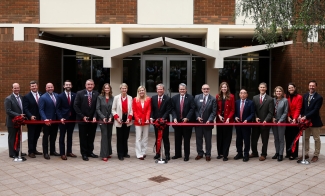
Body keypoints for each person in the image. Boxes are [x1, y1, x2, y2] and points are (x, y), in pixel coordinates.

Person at [74, 79, 99, 161]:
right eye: (88, 84)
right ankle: (84, 154)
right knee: (83, 138)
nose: (90, 86)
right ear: (85, 85)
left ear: (94, 85)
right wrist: (82, 116)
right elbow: (76, 106)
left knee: (91, 137)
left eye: (91, 84)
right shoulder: (79, 93)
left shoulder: (96, 94)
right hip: (82, 120)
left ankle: (90, 152)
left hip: (93, 121)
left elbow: (97, 107)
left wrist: (95, 116)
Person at [298, 80, 323, 163]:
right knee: (305, 138)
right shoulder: (305, 96)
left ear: (316, 87)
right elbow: (303, 108)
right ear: (308, 86)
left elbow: (315, 110)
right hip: (305, 122)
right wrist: (300, 115)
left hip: (315, 122)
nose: (311, 87)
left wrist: (305, 116)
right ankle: (306, 154)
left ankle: (316, 154)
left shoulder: (319, 97)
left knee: (316, 139)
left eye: (313, 86)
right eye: (310, 85)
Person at [171, 83, 195, 162]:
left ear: (186, 90)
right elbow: (173, 109)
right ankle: (178, 154)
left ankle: (186, 155)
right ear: (178, 90)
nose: (182, 90)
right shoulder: (174, 98)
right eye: (181, 89)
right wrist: (174, 117)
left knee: (186, 140)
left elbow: (192, 109)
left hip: (187, 123)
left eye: (183, 89)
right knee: (177, 139)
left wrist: (187, 118)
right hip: (177, 122)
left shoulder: (191, 98)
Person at [250, 82, 274, 161]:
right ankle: (254, 152)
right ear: (258, 88)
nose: (262, 89)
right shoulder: (254, 98)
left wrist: (266, 120)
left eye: (264, 87)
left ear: (266, 88)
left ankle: (263, 154)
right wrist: (256, 117)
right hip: (256, 123)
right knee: (254, 139)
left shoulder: (270, 99)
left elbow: (271, 112)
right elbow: (253, 110)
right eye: (261, 87)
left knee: (264, 140)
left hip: (265, 123)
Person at [194, 84, 216, 161]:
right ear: (201, 89)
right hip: (199, 123)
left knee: (208, 140)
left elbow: (214, 112)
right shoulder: (197, 97)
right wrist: (197, 117)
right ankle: (200, 153)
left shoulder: (213, 99)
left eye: (207, 89)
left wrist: (209, 120)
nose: (205, 90)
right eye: (204, 89)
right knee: (199, 139)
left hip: (208, 123)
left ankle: (208, 154)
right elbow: (195, 109)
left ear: (209, 90)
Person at [4, 83, 26, 159]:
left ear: (19, 88)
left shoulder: (21, 97)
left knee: (19, 137)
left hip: (19, 122)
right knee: (12, 138)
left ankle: (18, 151)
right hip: (12, 122)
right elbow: (8, 111)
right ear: (12, 89)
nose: (16, 89)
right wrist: (19, 115)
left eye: (18, 88)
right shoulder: (8, 99)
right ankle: (12, 153)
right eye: (15, 88)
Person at [112, 83, 133, 161]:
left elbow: (132, 110)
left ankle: (125, 152)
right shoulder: (116, 98)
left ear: (127, 89)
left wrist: (129, 118)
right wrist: (117, 118)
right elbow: (113, 109)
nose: (124, 90)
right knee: (120, 137)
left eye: (125, 88)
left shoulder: (130, 98)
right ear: (120, 89)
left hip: (127, 119)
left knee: (126, 137)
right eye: (122, 88)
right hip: (119, 119)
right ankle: (120, 154)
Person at [38, 83, 60, 160]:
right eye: (48, 87)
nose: (50, 88)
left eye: (51, 87)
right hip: (47, 121)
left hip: (55, 120)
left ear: (53, 88)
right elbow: (41, 109)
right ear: (46, 88)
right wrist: (45, 119)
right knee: (46, 137)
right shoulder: (43, 97)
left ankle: (52, 151)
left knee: (54, 136)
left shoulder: (57, 95)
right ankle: (45, 152)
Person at [150, 84, 171, 160]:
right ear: (156, 90)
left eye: (161, 89)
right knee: (157, 138)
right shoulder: (154, 98)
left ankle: (167, 154)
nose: (160, 90)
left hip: (164, 122)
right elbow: (152, 110)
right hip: (156, 122)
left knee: (165, 138)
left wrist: (162, 119)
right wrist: (152, 117)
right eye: (158, 89)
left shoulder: (168, 99)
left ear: (164, 90)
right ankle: (157, 153)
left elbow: (168, 110)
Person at [57, 80, 77, 160]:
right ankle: (62, 153)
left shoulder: (74, 95)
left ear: (71, 86)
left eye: (69, 84)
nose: (68, 86)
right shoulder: (60, 96)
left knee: (70, 136)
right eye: (66, 85)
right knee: (62, 136)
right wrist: (60, 117)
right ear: (64, 86)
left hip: (72, 119)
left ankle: (69, 151)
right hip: (63, 119)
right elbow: (57, 108)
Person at [23, 81, 43, 158]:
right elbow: (25, 108)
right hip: (32, 120)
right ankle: (30, 151)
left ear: (37, 86)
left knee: (37, 135)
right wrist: (30, 116)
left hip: (40, 119)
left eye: (35, 86)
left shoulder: (41, 94)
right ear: (30, 87)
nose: (34, 87)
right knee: (31, 136)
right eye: (32, 86)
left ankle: (34, 150)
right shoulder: (27, 96)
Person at [216, 82, 235, 161]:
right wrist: (219, 115)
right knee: (220, 137)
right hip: (219, 120)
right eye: (222, 87)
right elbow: (216, 108)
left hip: (228, 120)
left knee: (227, 137)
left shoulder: (231, 96)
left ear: (227, 88)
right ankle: (220, 153)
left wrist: (228, 118)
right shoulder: (217, 96)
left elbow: (233, 110)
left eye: (225, 87)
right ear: (220, 88)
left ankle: (225, 154)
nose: (224, 88)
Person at [234, 89, 255, 162]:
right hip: (238, 124)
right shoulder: (236, 102)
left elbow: (252, 113)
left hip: (246, 124)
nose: (243, 94)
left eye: (244, 93)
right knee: (238, 140)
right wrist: (235, 117)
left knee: (246, 140)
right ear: (239, 94)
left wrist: (247, 119)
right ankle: (239, 153)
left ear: (247, 94)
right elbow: (234, 112)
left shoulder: (250, 102)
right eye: (241, 93)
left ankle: (246, 154)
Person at [96, 83, 114, 162]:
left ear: (110, 89)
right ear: (103, 89)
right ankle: (104, 154)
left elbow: (114, 108)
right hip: (102, 120)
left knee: (109, 135)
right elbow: (97, 109)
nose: (107, 89)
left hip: (110, 120)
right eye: (105, 88)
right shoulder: (100, 97)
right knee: (104, 136)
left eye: (108, 88)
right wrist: (103, 117)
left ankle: (108, 152)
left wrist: (110, 117)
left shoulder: (112, 98)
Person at [132, 86, 151, 160]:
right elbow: (134, 110)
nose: (141, 92)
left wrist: (147, 119)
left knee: (145, 137)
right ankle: (138, 153)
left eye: (142, 90)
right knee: (138, 138)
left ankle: (143, 152)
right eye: (140, 90)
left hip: (146, 121)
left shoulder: (148, 99)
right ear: (138, 92)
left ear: (145, 91)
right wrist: (137, 118)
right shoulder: (135, 99)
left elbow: (149, 110)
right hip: (138, 121)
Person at [285, 83, 302, 160]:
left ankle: (294, 154)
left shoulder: (299, 97)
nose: (290, 89)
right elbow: (286, 108)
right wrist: (288, 116)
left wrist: (295, 118)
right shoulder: (286, 97)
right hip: (288, 119)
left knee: (294, 137)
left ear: (294, 88)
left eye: (292, 88)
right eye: (289, 88)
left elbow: (298, 108)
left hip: (295, 119)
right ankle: (288, 153)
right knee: (288, 136)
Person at [271, 86, 288, 162]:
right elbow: (270, 110)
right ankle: (277, 152)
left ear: (282, 92)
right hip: (274, 121)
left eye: (279, 91)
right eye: (277, 91)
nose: (278, 92)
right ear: (275, 92)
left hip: (281, 122)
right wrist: (272, 118)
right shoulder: (273, 100)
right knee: (276, 138)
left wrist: (280, 120)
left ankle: (281, 154)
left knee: (281, 138)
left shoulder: (285, 100)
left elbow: (285, 112)